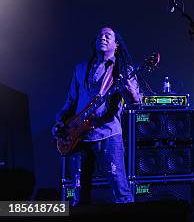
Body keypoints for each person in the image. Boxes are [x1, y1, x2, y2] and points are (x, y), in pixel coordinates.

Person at [52, 27, 142, 205]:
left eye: (108, 35)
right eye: (100, 35)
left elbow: (136, 104)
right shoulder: (81, 69)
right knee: (78, 193)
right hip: (79, 137)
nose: (103, 37)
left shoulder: (123, 69)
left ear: (116, 45)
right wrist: (59, 122)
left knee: (121, 191)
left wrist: (131, 91)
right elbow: (70, 101)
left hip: (108, 134)